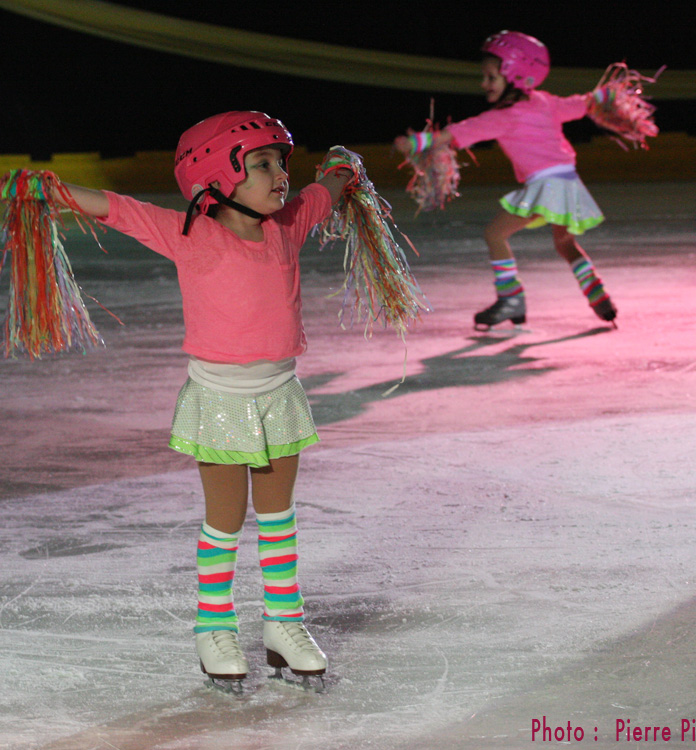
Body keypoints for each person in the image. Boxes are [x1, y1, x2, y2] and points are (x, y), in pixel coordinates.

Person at [54, 111, 354, 692]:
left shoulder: (286, 226)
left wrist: (345, 166)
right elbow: (117, 208)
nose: (280, 176)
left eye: (280, 163)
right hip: (220, 399)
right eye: (261, 164)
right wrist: (52, 189)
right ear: (216, 177)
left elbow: (326, 190)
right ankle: (212, 627)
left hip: (280, 393)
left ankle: (282, 623)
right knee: (225, 521)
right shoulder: (192, 234)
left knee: (279, 519)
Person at [396, 30, 618, 330]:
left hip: (545, 186)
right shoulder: (544, 102)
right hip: (568, 182)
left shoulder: (506, 116)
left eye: (491, 77)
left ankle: (511, 298)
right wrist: (601, 97)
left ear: (516, 77)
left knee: (495, 235)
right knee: (566, 244)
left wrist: (419, 144)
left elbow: (462, 131)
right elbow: (579, 105)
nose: (484, 84)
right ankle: (599, 296)